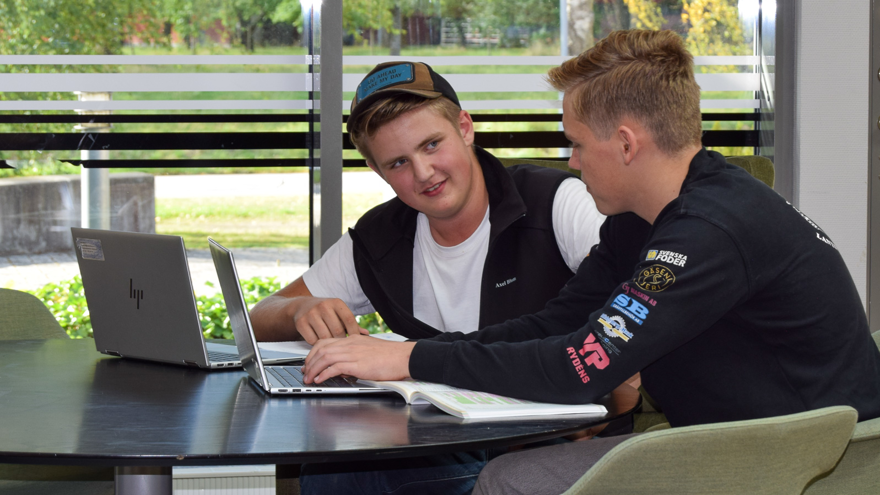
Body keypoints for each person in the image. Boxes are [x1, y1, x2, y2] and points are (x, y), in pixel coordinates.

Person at [301, 29, 880, 494]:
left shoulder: (707, 232)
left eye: (576, 143)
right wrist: (409, 357)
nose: (571, 162)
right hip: (741, 437)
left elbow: (580, 368)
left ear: (626, 144)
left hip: (803, 459)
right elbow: (557, 322)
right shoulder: (645, 219)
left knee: (511, 480)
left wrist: (409, 358)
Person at [250, 61, 604, 344]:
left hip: (558, 430)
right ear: (377, 170)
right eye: (398, 163)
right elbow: (258, 318)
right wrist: (298, 310)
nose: (423, 173)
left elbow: (641, 300)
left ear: (465, 128)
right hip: (431, 433)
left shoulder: (556, 201)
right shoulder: (378, 238)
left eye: (431, 145)